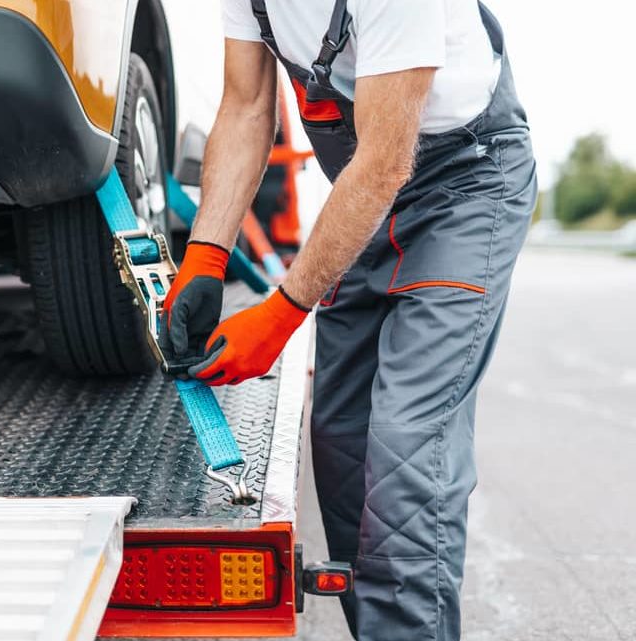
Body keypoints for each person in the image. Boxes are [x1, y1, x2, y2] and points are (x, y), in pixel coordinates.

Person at [159, 1, 537, 639]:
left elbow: (389, 159)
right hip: (364, 197)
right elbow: (247, 106)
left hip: (464, 187)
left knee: (404, 454)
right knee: (345, 452)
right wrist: (204, 255)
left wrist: (280, 315)